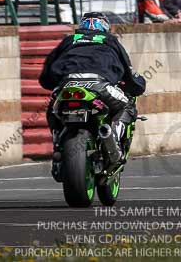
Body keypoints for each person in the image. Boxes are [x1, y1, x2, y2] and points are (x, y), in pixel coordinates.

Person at [39, 12, 146, 176]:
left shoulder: (69, 41)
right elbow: (128, 73)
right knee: (127, 105)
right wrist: (137, 85)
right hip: (99, 85)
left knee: (52, 109)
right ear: (105, 27)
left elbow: (45, 76)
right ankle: (113, 141)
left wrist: (55, 82)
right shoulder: (110, 41)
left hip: (67, 86)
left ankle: (58, 147)